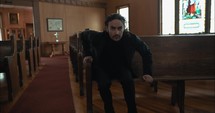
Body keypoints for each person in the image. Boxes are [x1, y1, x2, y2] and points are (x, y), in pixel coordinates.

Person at [81, 13, 153, 113]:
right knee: (103, 84)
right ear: (106, 28)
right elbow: (83, 35)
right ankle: (109, 109)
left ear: (124, 28)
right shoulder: (97, 37)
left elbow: (146, 52)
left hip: (121, 67)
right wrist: (87, 54)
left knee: (128, 81)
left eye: (120, 28)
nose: (117, 32)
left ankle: (132, 110)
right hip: (102, 67)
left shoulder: (130, 38)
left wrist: (147, 72)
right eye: (113, 28)